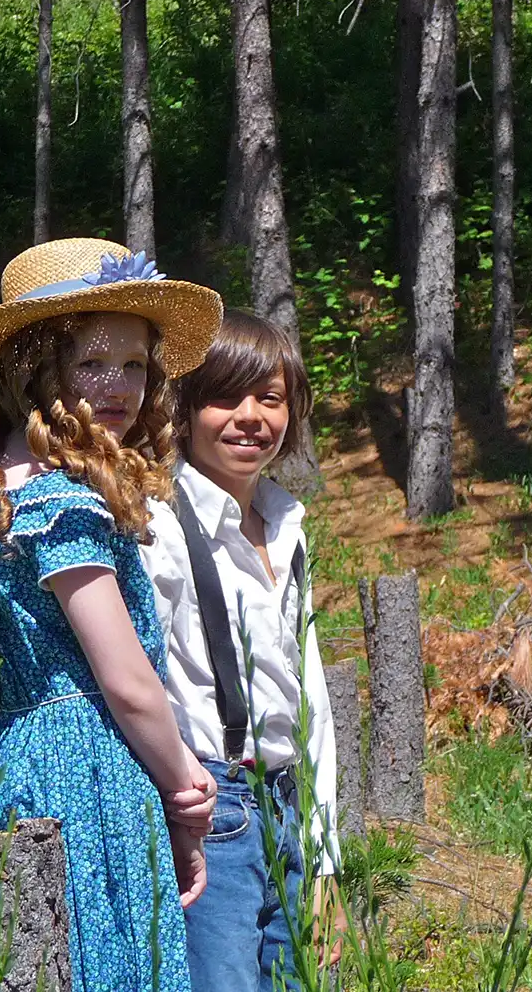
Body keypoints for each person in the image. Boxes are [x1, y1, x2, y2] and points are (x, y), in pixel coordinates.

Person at [0, 237, 222, 991]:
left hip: (18, 757)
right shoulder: (62, 501)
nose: (120, 385)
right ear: (36, 370)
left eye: (134, 364)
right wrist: (185, 783)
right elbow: (124, 679)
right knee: (104, 960)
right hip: (89, 769)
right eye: (94, 363)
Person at [140, 309, 347, 990]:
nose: (250, 416)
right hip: (214, 809)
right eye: (227, 396)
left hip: (290, 804)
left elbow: (308, 691)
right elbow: (143, 680)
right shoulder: (160, 523)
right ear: (188, 408)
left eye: (271, 398)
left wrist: (324, 858)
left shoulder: (286, 524)